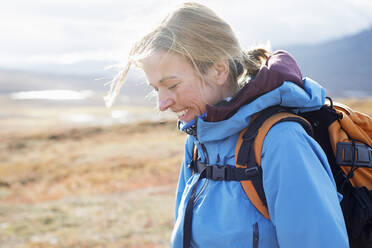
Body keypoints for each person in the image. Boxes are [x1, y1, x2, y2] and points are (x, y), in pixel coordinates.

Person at [106, 2, 349, 247]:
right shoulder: (197, 142)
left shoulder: (282, 142)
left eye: (172, 85)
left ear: (219, 70)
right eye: (155, 89)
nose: (162, 103)